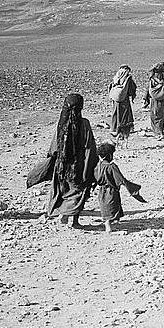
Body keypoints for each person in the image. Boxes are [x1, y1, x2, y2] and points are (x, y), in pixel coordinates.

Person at [46, 94, 98, 228]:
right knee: (78, 192)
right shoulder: (84, 124)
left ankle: (63, 213)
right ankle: (74, 221)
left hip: (62, 166)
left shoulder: (61, 124)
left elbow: (54, 147)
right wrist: (91, 164)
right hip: (78, 165)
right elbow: (89, 146)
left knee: (64, 190)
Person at [94, 143, 145, 233]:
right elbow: (120, 179)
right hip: (111, 190)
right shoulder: (111, 167)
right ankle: (108, 226)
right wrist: (132, 187)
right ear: (108, 155)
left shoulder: (98, 166)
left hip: (102, 191)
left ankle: (112, 222)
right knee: (112, 206)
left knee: (106, 207)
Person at [108, 65, 137, 144]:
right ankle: (123, 131)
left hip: (115, 99)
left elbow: (110, 87)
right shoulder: (128, 78)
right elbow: (132, 89)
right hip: (124, 99)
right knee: (124, 114)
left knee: (115, 113)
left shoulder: (116, 77)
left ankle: (114, 129)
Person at [143, 62, 164, 141]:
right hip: (163, 101)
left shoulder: (152, 80)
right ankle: (160, 132)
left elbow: (147, 91)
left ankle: (158, 133)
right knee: (162, 117)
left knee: (155, 117)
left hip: (155, 102)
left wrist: (146, 101)